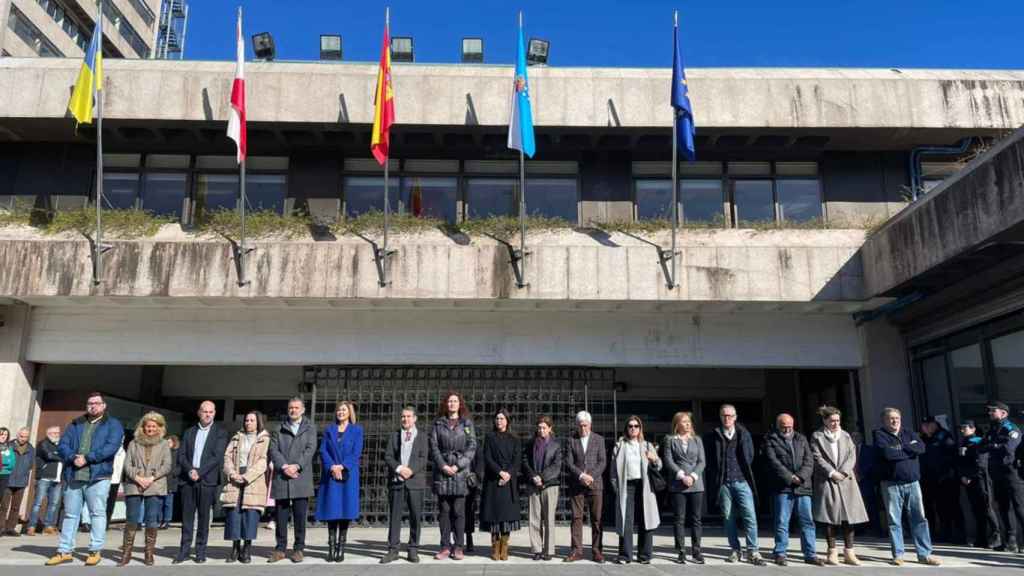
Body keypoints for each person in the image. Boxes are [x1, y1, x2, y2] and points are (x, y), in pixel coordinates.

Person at [45, 392, 125, 566]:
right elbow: (63, 444)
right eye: (90, 403)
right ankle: (65, 551)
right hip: (74, 475)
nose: (93, 406)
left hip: (98, 477)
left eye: (96, 403)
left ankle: (95, 550)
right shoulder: (76, 423)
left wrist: (88, 458)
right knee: (70, 515)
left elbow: (111, 447)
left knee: (97, 514)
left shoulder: (113, 424)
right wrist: (74, 457)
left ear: (104, 406)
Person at [873, 407, 941, 566]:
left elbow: (921, 448)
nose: (894, 421)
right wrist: (908, 449)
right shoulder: (880, 435)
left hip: (913, 483)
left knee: (919, 519)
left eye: (897, 418)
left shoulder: (909, 432)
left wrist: (901, 448)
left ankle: (924, 554)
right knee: (894, 521)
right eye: (891, 418)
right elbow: (888, 454)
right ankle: (898, 555)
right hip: (891, 484)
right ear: (884, 420)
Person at [705, 404, 765, 565]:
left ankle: (753, 551)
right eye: (724, 415)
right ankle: (735, 550)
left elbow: (750, 456)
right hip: (724, 484)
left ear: (735, 417)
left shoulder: (743, 433)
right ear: (720, 417)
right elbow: (710, 460)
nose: (727, 418)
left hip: (742, 481)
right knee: (728, 518)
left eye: (730, 415)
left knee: (750, 517)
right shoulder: (713, 435)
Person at [811, 406, 868, 566]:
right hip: (828, 480)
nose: (835, 423)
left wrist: (843, 472)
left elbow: (852, 454)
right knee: (830, 518)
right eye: (832, 421)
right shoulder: (817, 436)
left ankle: (850, 552)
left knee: (849, 518)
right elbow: (817, 456)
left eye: (837, 420)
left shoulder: (846, 436)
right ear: (825, 421)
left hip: (846, 480)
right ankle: (832, 552)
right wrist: (831, 473)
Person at [763, 413, 821, 567]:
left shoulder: (801, 438)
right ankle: (780, 553)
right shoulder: (770, 439)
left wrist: (800, 477)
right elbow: (773, 462)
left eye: (789, 425)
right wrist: (790, 477)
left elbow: (809, 460)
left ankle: (810, 553)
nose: (787, 428)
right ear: (778, 425)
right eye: (783, 426)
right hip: (783, 487)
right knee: (782, 521)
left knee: (807, 521)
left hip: (803, 487)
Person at [174, 400, 228, 564]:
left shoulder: (220, 432)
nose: (207, 414)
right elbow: (181, 455)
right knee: (187, 517)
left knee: (204, 518)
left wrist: (200, 472)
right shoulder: (189, 432)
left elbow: (217, 457)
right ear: (199, 413)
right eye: (205, 411)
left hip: (207, 480)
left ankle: (200, 551)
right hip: (188, 480)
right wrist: (190, 470)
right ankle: (183, 551)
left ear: (214, 413)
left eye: (211, 412)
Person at [119, 412, 172, 566]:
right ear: (143, 427)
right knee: (132, 519)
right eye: (148, 426)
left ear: (159, 428)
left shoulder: (163, 444)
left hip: (154, 485)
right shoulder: (133, 443)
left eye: (154, 427)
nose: (150, 429)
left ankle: (149, 553)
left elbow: (167, 465)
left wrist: (151, 478)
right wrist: (138, 478)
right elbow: (127, 465)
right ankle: (126, 553)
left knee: (151, 520)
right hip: (135, 484)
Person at [429, 391, 477, 561]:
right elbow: (433, 447)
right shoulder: (438, 424)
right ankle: (444, 546)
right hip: (442, 474)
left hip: (460, 473)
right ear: (446, 404)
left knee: (458, 511)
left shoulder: (467, 423)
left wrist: (458, 465)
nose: (452, 404)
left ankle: (458, 547)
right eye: (449, 401)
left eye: (455, 401)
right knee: (444, 512)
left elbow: (472, 447)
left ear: (460, 404)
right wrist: (443, 465)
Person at [267, 397, 316, 563]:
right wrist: (284, 467)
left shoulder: (310, 428)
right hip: (282, 476)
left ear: (303, 410)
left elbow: (310, 449)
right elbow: (273, 450)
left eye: (296, 408)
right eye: (290, 408)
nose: (293, 410)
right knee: (281, 516)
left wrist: (297, 466)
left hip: (300, 477)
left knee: (300, 516)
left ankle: (298, 549)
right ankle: (280, 549)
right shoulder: (278, 428)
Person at [315, 401, 363, 563]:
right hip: (331, 475)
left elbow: (356, 452)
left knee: (345, 511)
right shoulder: (329, 430)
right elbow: (323, 450)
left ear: (350, 412)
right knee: (332, 511)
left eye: (344, 410)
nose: (340, 412)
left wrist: (342, 467)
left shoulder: (357, 430)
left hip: (348, 475)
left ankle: (341, 547)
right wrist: (332, 467)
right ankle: (331, 547)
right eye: (338, 410)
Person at [221, 411, 271, 564]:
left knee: (250, 515)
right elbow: (227, 457)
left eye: (252, 420)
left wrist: (247, 476)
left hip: (253, 480)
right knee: (234, 513)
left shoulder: (265, 439)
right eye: (247, 420)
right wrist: (232, 473)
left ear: (258, 422)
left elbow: (264, 461)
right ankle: (235, 548)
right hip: (236, 477)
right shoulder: (236, 437)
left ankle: (247, 549)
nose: (248, 423)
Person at [381, 406, 429, 564]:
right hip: (397, 482)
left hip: (415, 482)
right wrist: (400, 468)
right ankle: (393, 549)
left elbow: (423, 458)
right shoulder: (395, 435)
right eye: (403, 416)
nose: (405, 419)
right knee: (395, 517)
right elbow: (388, 456)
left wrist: (411, 470)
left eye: (408, 416)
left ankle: (413, 549)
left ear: (415, 418)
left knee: (415, 517)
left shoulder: (422, 436)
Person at [611, 415, 661, 564]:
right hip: (627, 486)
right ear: (626, 429)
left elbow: (659, 466)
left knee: (645, 519)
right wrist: (616, 488)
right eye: (630, 426)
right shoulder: (620, 445)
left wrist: (654, 459)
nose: (633, 428)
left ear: (640, 429)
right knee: (626, 520)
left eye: (636, 426)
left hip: (644, 486)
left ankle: (644, 555)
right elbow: (613, 470)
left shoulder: (647, 445)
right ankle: (625, 555)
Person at [662, 411, 706, 564]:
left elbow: (702, 462)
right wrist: (682, 475)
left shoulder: (697, 440)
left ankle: (696, 551)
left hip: (696, 484)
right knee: (679, 519)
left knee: (696, 519)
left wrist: (693, 476)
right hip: (678, 484)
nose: (688, 424)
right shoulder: (670, 440)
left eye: (689, 422)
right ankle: (681, 551)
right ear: (677, 424)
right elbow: (668, 460)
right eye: (684, 421)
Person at [980, 401, 1024, 553]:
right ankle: (1011, 540)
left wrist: (993, 446)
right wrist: (994, 445)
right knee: (1004, 507)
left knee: (1020, 507)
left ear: (1003, 413)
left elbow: (1009, 448)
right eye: (990, 411)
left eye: (993, 411)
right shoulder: (993, 429)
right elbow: (982, 446)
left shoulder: (1011, 428)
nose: (990, 413)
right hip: (997, 473)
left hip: (1012, 473)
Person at [565, 410, 607, 564]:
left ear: (590, 424)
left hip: (595, 485)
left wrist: (591, 476)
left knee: (596, 519)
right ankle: (576, 551)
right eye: (580, 425)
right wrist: (581, 476)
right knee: (576, 518)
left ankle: (597, 551)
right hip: (577, 485)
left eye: (585, 425)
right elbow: (568, 462)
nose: (583, 428)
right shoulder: (571, 440)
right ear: (577, 425)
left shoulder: (599, 439)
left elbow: (602, 461)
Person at [479, 409, 521, 562]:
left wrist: (508, 473)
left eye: (502, 418)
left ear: (507, 421)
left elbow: (517, 459)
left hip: (509, 482)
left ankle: (504, 548)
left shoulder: (515, 439)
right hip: (493, 481)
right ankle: (495, 548)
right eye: (497, 418)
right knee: (495, 517)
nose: (499, 421)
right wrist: (500, 473)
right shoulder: (489, 437)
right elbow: (487, 457)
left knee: (507, 517)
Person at [523, 415, 561, 561]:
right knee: (534, 518)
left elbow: (556, 466)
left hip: (550, 486)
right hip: (533, 485)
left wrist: (542, 477)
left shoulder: (556, 445)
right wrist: (533, 476)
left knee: (549, 519)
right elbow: (525, 461)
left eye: (544, 427)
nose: (541, 430)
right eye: (539, 427)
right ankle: (537, 549)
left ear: (550, 429)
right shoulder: (531, 443)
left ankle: (549, 550)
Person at [957, 419, 1000, 549]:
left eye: (965, 427)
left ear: (973, 429)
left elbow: (980, 462)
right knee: (976, 509)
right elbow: (961, 462)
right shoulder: (964, 442)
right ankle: (981, 538)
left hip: (980, 478)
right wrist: (963, 476)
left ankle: (996, 536)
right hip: (968, 480)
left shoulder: (978, 441)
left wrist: (969, 475)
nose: (963, 430)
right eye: (962, 428)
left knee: (987, 508)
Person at [920, 416, 961, 543]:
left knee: (948, 508)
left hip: (945, 479)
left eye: (928, 425)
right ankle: (935, 533)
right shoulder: (924, 439)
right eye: (924, 425)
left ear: (935, 424)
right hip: (928, 479)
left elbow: (951, 458)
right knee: (931, 508)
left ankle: (955, 534)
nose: (925, 428)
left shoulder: (944, 437)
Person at [28, 426, 63, 536]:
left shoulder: (61, 445)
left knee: (53, 504)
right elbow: (49, 455)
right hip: (44, 477)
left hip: (58, 479)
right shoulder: (43, 443)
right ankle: (31, 526)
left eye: (58, 432)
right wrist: (61, 456)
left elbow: (66, 455)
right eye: (54, 433)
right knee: (38, 503)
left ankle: (47, 526)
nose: (57, 434)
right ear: (48, 433)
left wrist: (59, 455)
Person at [1, 427, 34, 536]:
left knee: (16, 507)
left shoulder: (31, 448)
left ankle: (10, 528)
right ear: (17, 435)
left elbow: (30, 464)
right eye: (21, 436)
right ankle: (1, 527)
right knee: (4, 506)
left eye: (26, 437)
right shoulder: (8, 445)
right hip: (8, 479)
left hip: (21, 480)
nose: (23, 438)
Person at [160, 435, 180, 529]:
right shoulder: (162, 453)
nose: (168, 444)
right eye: (166, 442)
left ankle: (167, 521)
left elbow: (180, 467)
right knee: (160, 502)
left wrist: (173, 473)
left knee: (168, 502)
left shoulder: (176, 453)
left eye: (169, 442)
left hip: (171, 481)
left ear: (174, 443)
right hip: (162, 480)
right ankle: (160, 520)